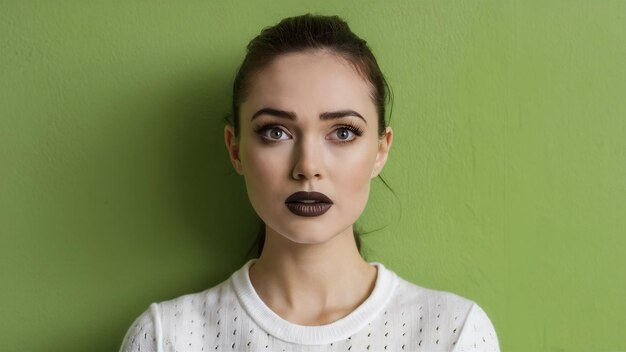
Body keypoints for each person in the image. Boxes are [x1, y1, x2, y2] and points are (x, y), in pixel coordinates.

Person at [119, 14, 499, 352]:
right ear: (235, 150)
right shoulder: (166, 337)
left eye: (344, 133)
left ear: (381, 150)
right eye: (276, 132)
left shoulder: (453, 333)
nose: (308, 167)